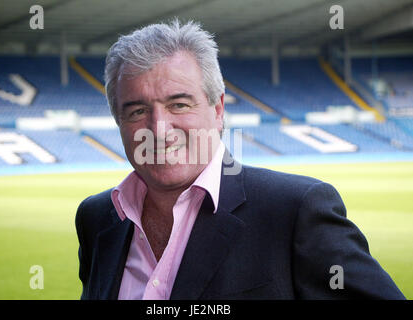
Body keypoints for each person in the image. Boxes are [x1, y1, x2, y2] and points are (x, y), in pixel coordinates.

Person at [75, 19, 405, 300]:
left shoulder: (295, 211)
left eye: (179, 104)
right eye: (137, 110)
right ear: (118, 120)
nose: (159, 129)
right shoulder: (96, 219)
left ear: (218, 110)